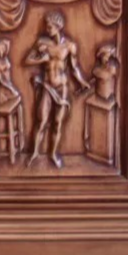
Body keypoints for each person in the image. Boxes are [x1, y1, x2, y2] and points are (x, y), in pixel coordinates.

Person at [25, 11, 91, 169]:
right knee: (41, 121)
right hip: (47, 87)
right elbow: (27, 60)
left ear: (58, 27)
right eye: (46, 27)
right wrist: (41, 58)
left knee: (57, 123)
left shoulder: (69, 46)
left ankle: (53, 154)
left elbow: (74, 68)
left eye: (50, 27)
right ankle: (34, 152)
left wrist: (82, 82)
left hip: (62, 89)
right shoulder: (42, 42)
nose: (47, 30)